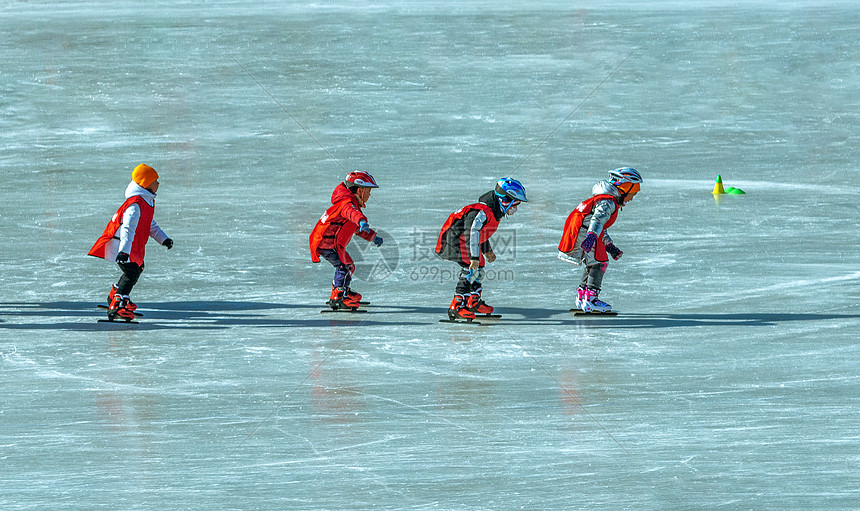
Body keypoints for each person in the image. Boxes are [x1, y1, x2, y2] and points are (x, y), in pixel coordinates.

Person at [88, 164, 173, 320]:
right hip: (122, 246)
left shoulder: (146, 201)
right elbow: (127, 229)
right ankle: (118, 304)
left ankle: (115, 294)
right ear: (146, 183)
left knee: (136, 269)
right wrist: (124, 252)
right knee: (132, 272)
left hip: (132, 246)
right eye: (155, 181)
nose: (158, 184)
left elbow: (150, 225)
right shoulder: (134, 205)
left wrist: (164, 239)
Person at [435, 177, 527, 320]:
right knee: (470, 267)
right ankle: (457, 305)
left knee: (479, 265)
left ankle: (473, 301)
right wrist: (473, 258)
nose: (515, 209)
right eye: (515, 205)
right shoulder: (481, 212)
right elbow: (471, 233)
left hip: (464, 241)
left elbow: (481, 234)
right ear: (505, 200)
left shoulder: (493, 212)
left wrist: (487, 251)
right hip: (452, 242)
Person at [558, 167, 642, 312]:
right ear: (624, 188)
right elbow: (596, 221)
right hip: (585, 233)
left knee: (592, 263)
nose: (632, 198)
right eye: (632, 193)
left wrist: (610, 247)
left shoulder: (603, 199)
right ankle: (591, 299)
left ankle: (582, 296)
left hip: (580, 231)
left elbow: (600, 228)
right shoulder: (607, 202)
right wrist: (591, 236)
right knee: (599, 263)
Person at [309, 171, 384, 310]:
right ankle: (337, 296)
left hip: (332, 243)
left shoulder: (349, 203)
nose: (369, 195)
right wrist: (361, 220)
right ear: (360, 190)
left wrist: (373, 237)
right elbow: (352, 214)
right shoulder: (347, 204)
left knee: (348, 265)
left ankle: (342, 291)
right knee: (344, 267)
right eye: (368, 191)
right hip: (327, 242)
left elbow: (356, 228)